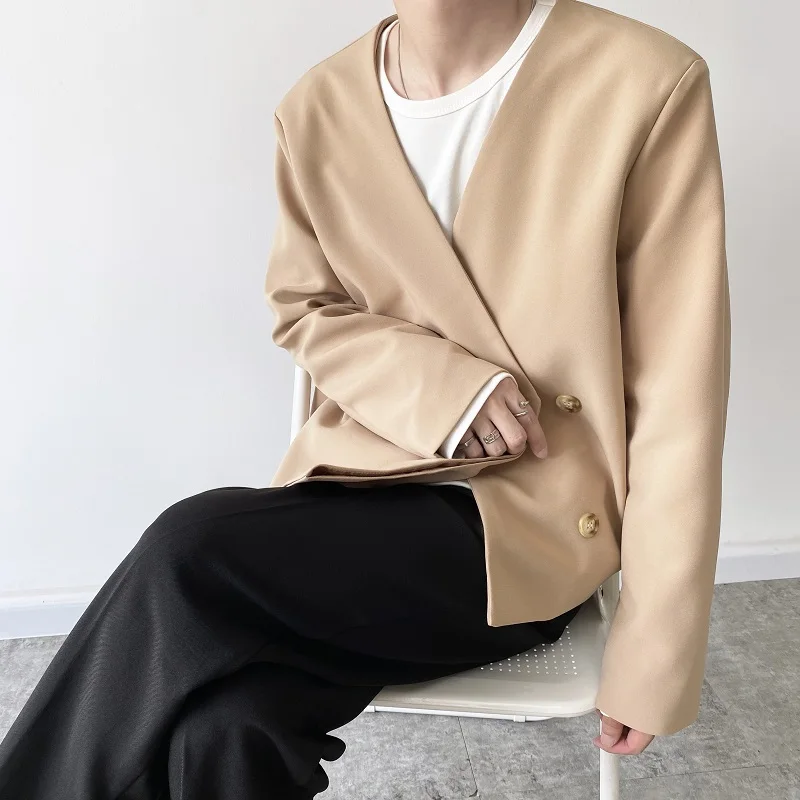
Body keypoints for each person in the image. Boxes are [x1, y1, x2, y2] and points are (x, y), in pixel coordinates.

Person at [0, 0, 731, 796]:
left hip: (531, 529)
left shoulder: (641, 81)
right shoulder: (318, 106)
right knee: (228, 727)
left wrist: (656, 651)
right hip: (355, 490)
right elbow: (306, 307)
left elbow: (680, 392)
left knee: (190, 550)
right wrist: (447, 390)